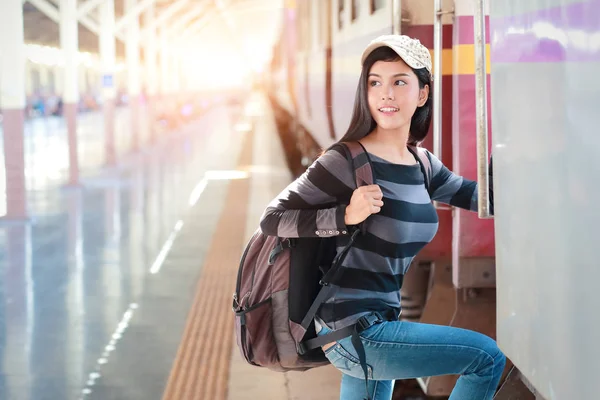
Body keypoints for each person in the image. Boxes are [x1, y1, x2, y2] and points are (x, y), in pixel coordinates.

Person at [259, 34, 505, 400]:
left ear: (422, 94)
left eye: (399, 82)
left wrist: (512, 148)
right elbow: (272, 219)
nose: (385, 94)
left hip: (375, 327)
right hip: (354, 331)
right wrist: (344, 215)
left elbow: (477, 197)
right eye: (375, 83)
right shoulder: (344, 161)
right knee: (486, 358)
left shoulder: (421, 164)